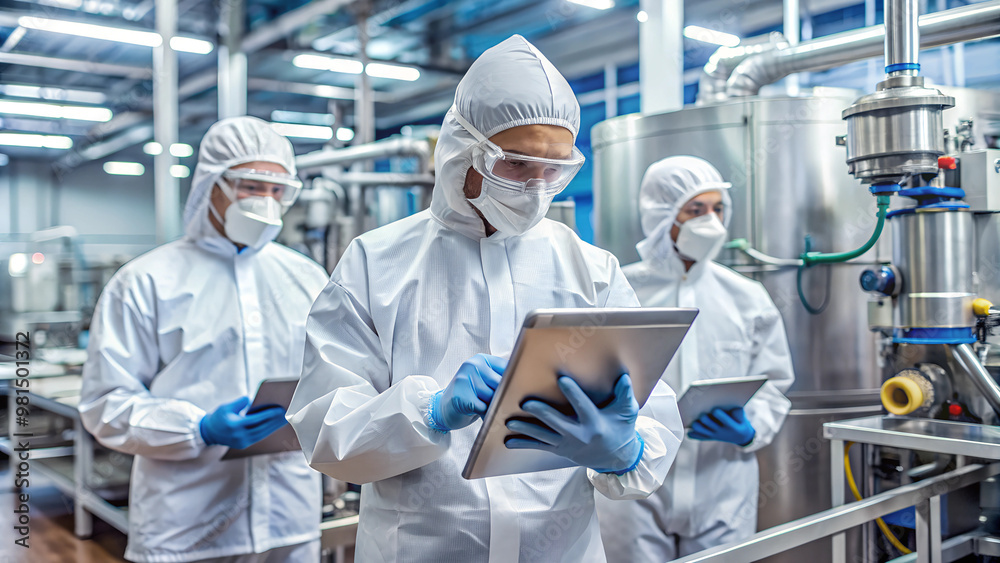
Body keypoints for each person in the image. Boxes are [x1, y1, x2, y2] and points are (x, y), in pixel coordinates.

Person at [287, 35, 684, 562]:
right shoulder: (374, 264)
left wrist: (626, 451)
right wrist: (428, 412)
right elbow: (325, 432)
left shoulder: (592, 269)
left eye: (554, 170)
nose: (536, 188)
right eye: (516, 165)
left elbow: (655, 413)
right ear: (463, 150)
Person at [78, 116, 328, 563]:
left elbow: (332, 377)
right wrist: (197, 428)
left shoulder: (306, 277)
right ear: (211, 184)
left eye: (277, 190)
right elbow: (104, 405)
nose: (266, 202)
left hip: (289, 520)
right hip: (186, 527)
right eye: (251, 186)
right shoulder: (145, 281)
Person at [597, 156, 795, 560]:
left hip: (722, 482)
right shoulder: (617, 290)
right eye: (695, 209)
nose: (711, 221)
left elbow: (774, 382)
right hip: (633, 480)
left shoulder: (747, 297)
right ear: (661, 214)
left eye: (718, 208)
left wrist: (751, 429)